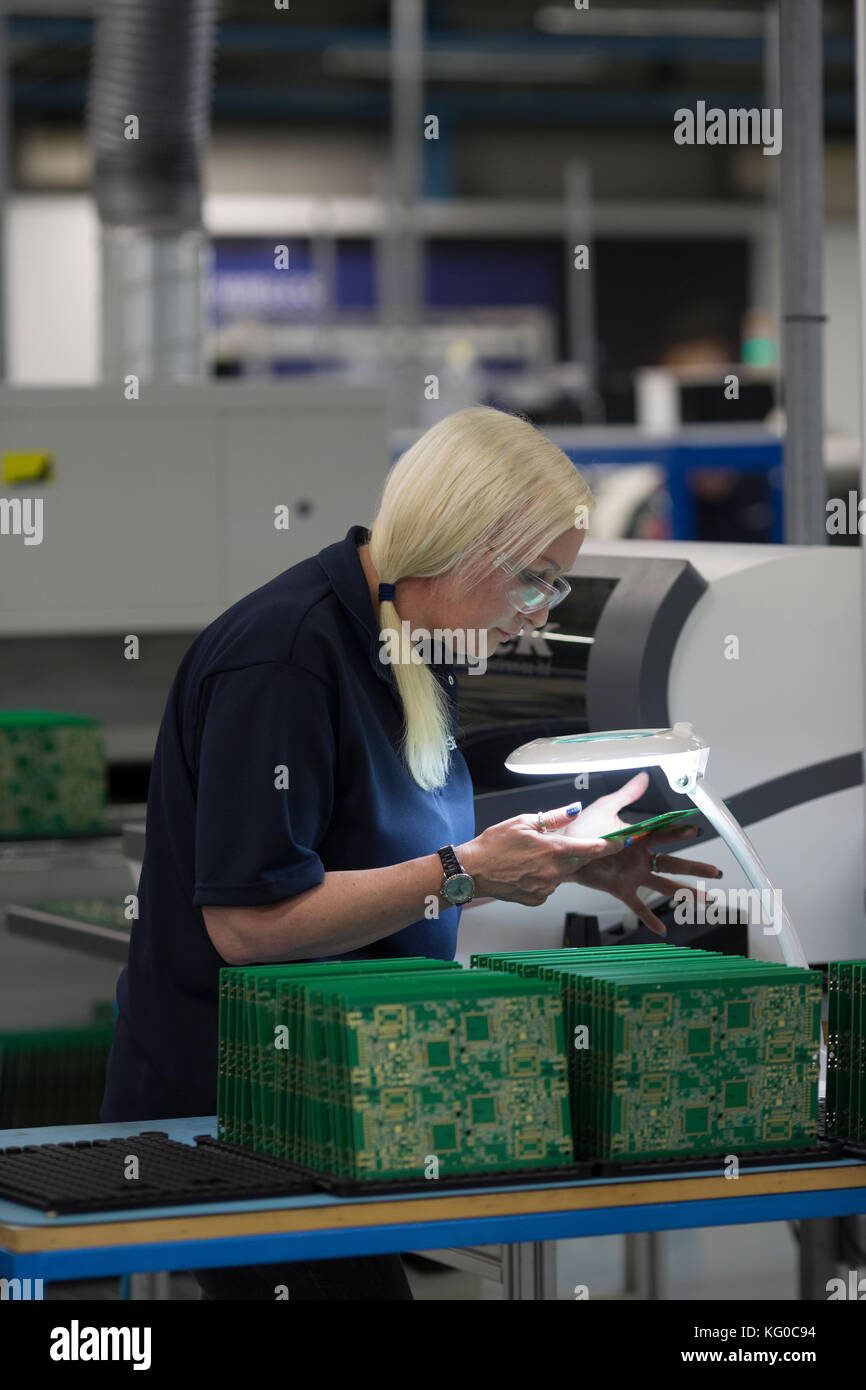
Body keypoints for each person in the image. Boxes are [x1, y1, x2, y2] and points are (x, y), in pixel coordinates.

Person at [100, 405, 718, 1299]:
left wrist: (565, 861)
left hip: (343, 1088)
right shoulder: (286, 660)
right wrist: (465, 873)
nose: (539, 617)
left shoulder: (421, 646)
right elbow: (249, 925)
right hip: (235, 1109)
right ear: (462, 542)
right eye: (536, 583)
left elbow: (388, 840)